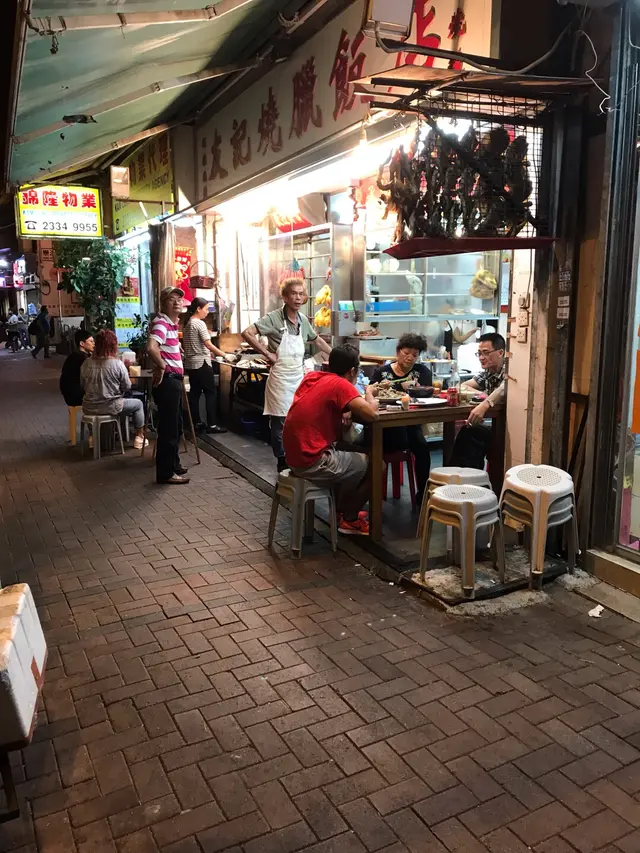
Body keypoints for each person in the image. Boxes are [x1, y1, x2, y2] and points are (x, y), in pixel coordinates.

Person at [283, 344, 379, 536]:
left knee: (351, 450)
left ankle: (342, 509)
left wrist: (345, 409)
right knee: (378, 465)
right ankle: (349, 519)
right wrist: (369, 393)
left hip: (294, 456)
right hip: (313, 461)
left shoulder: (313, 377)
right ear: (352, 371)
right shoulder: (341, 384)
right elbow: (372, 414)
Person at [242, 279, 332, 472]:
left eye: (301, 294)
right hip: (280, 380)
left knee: (299, 419)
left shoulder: (302, 320)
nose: (298, 298)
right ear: (285, 297)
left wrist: (336, 355)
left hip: (298, 378)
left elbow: (317, 341)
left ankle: (297, 457)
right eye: (294, 293)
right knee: (280, 423)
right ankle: (282, 460)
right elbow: (247, 333)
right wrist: (267, 354)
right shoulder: (274, 318)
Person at [371, 333, 433, 506]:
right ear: (398, 352)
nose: (410, 357)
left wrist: (416, 390)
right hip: (384, 426)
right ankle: (370, 496)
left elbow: (427, 392)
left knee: (422, 448)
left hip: (410, 425)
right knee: (366, 444)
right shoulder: (382, 372)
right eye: (406, 353)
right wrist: (398, 386)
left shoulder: (422, 372)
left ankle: (423, 494)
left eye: (415, 354)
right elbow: (371, 392)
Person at [148, 286, 189, 485]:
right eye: (171, 299)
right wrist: (163, 365)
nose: (177, 302)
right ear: (163, 304)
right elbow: (151, 347)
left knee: (176, 426)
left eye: (179, 299)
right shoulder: (162, 323)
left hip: (174, 381)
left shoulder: (171, 325)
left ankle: (174, 465)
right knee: (169, 429)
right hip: (169, 382)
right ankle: (165, 473)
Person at [81, 329, 147, 449]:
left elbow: (82, 385)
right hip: (112, 406)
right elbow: (127, 386)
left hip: (89, 406)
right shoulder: (117, 364)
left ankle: (93, 437)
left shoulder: (86, 363)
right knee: (138, 404)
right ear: (113, 346)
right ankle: (139, 437)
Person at [450, 331, 506, 469]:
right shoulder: (488, 372)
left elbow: (504, 388)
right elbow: (462, 386)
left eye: (486, 353)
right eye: (479, 353)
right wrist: (483, 395)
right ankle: (462, 476)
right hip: (493, 424)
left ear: (500, 353)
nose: (481, 357)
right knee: (467, 433)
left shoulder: (509, 370)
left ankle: (467, 477)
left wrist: (485, 404)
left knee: (469, 435)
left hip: (507, 429)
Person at [183, 297, 233, 435]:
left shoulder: (187, 324)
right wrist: (225, 355)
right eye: (205, 309)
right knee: (211, 393)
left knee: (195, 394)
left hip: (191, 364)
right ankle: (212, 424)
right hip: (202, 364)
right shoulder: (199, 323)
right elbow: (208, 344)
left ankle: (197, 423)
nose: (207, 312)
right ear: (198, 309)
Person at [60, 330, 95, 407]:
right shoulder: (82, 358)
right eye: (91, 341)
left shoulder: (75, 355)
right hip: (77, 397)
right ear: (82, 343)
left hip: (70, 395)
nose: (94, 343)